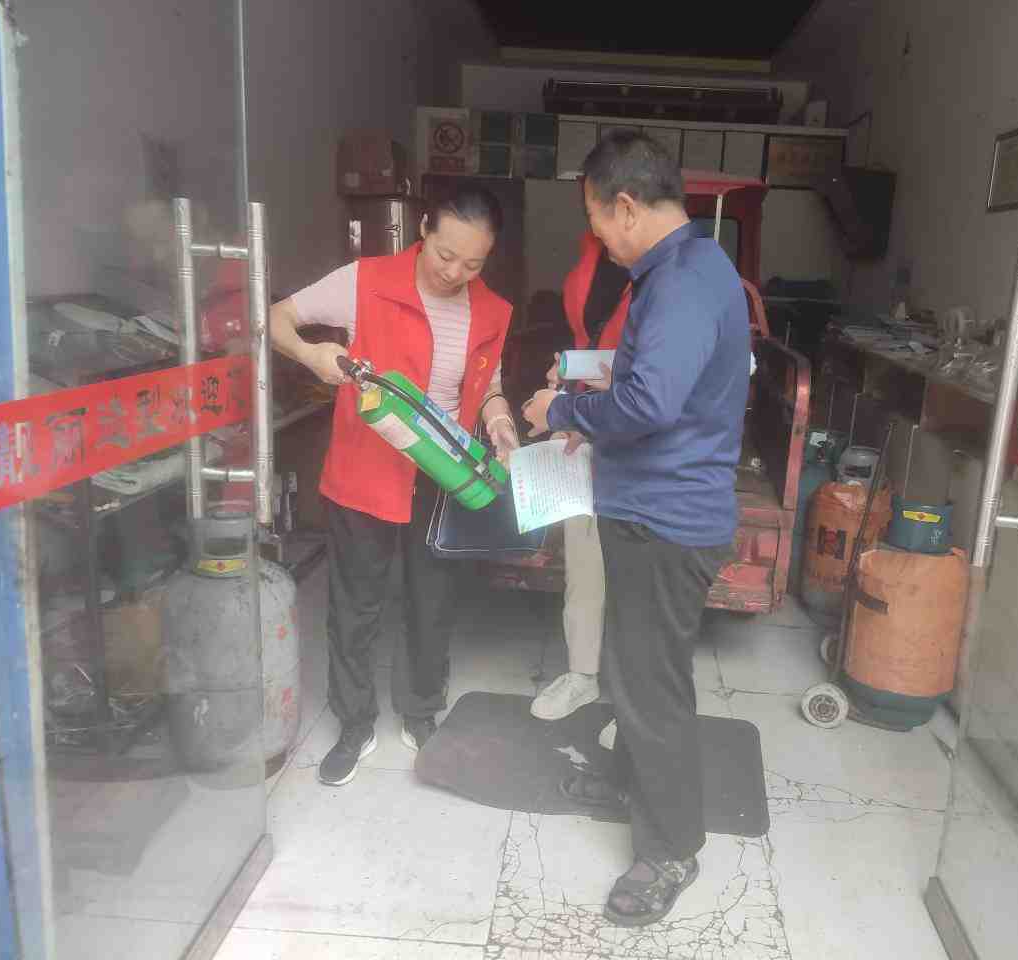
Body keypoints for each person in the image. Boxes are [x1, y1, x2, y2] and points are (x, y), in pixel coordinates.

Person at [523, 131, 749, 927]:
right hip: (650, 513)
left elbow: (650, 402)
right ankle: (632, 786)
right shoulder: (684, 271)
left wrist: (564, 410)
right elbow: (652, 375)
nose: (600, 241)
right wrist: (585, 383)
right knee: (632, 671)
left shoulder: (682, 282)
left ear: (625, 206)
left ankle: (673, 848)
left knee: (653, 692)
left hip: (666, 521)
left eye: (596, 222)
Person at [269, 187, 517, 786]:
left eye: (474, 263)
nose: (455, 273)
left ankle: (421, 708)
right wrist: (311, 355)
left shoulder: (492, 311)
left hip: (443, 475)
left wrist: (500, 418)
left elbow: (486, 382)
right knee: (356, 606)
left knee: (432, 600)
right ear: (423, 228)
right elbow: (277, 319)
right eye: (446, 255)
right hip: (364, 472)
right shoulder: (366, 280)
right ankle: (354, 724)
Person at [529, 231, 631, 721]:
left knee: (639, 575)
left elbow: (656, 379)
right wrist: (567, 376)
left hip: (643, 449)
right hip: (587, 431)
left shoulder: (672, 278)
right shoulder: (591, 263)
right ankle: (583, 676)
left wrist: (576, 392)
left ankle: (635, 704)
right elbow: (598, 350)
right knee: (585, 562)